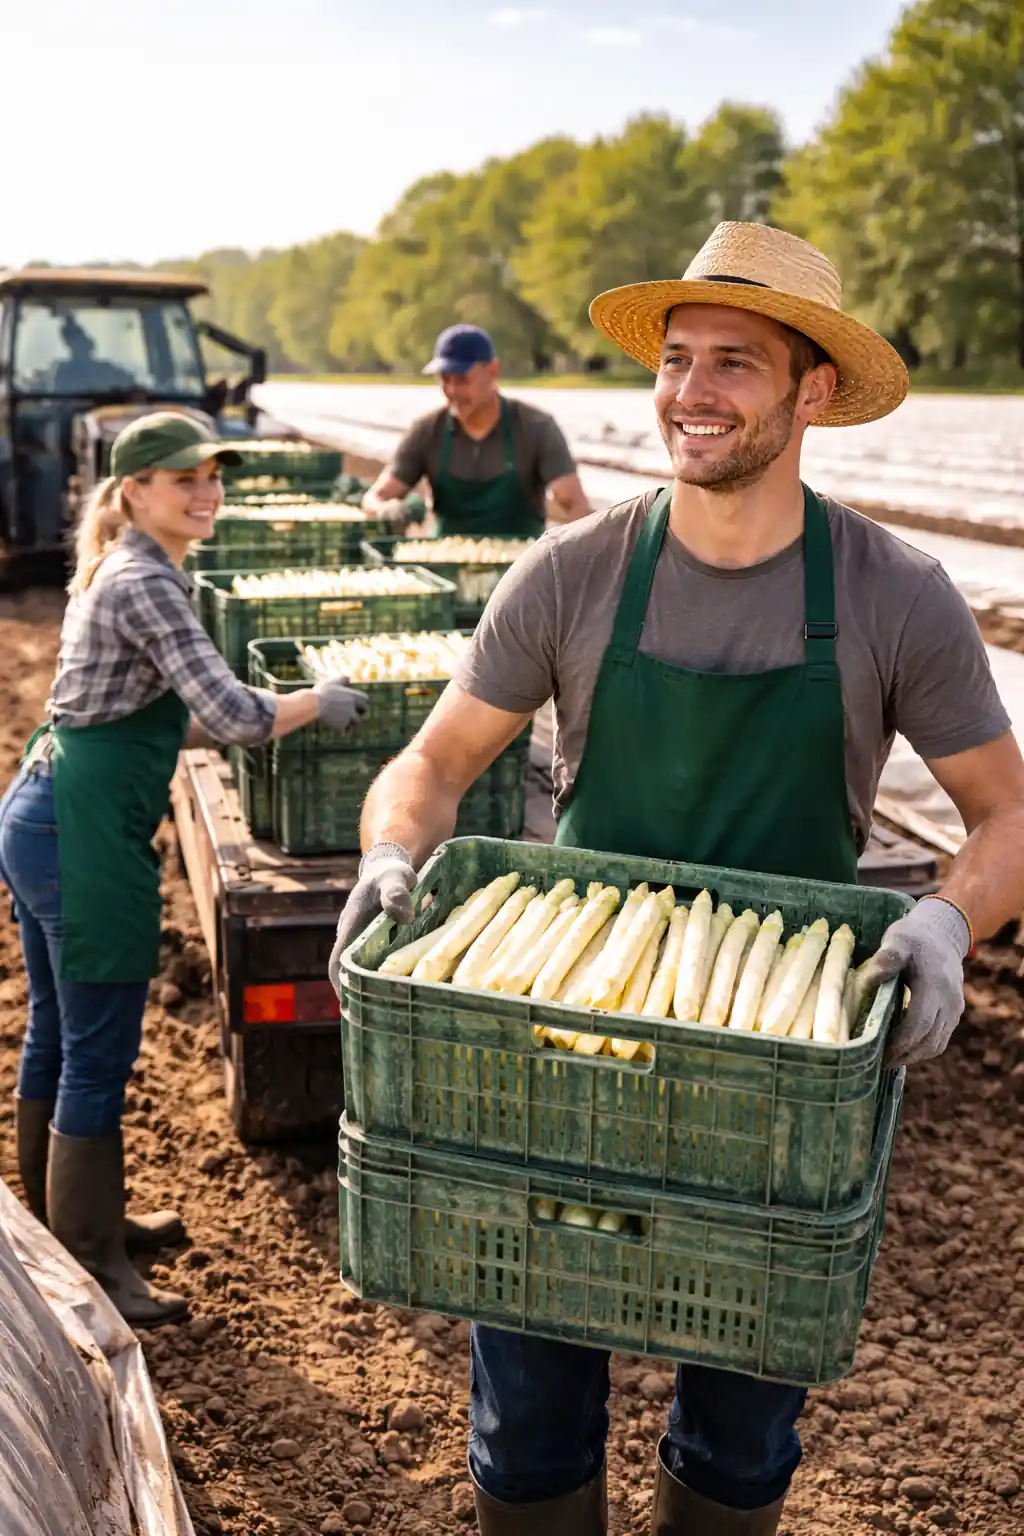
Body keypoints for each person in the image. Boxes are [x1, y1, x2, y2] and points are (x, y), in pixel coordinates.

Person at [329, 222, 1024, 1535]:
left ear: (815, 390)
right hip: (555, 1041)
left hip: (776, 1073)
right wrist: (386, 853)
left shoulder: (895, 593)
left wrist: (946, 920)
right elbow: (429, 765)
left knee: (743, 1434)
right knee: (527, 1420)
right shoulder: (577, 570)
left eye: (735, 366)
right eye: (677, 360)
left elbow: (1006, 818)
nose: (688, 394)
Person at [0, 412, 367, 1328]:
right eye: (182, 479)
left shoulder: (133, 566)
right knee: (96, 1049)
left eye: (212, 475)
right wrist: (315, 704)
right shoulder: (147, 582)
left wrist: (271, 709)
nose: (205, 492)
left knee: (58, 1030)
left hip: (44, 812)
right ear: (133, 491)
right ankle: (92, 1262)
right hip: (77, 834)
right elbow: (236, 716)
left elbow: (168, 717)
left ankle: (68, 1224)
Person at [363, 323, 592, 535]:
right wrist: (385, 508)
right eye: (444, 379)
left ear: (492, 371)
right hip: (445, 558)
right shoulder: (426, 432)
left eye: (462, 379)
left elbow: (574, 503)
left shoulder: (536, 428)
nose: (452, 390)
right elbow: (376, 496)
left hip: (521, 563)